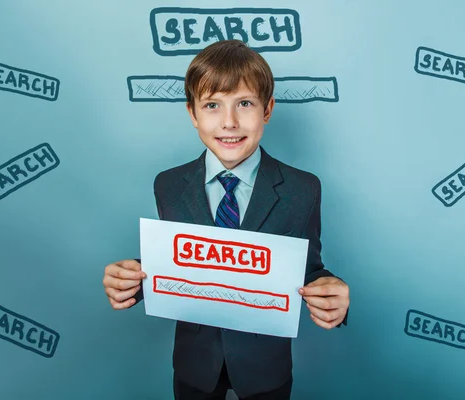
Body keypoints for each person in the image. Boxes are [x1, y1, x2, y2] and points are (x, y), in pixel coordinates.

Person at [102, 39, 350, 399]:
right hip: (195, 364)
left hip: (265, 366)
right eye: (213, 105)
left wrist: (333, 293)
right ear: (193, 113)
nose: (229, 122)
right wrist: (133, 280)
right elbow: (179, 261)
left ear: (267, 110)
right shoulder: (168, 185)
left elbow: (308, 270)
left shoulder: (303, 189)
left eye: (245, 104)